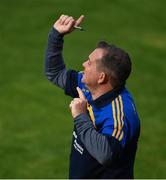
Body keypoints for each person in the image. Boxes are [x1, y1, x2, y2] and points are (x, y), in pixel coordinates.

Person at [45, 14, 140, 179]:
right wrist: (56, 35)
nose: (84, 64)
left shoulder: (119, 114)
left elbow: (106, 153)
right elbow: (55, 73)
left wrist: (81, 116)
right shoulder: (88, 85)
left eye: (89, 62)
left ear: (101, 77)